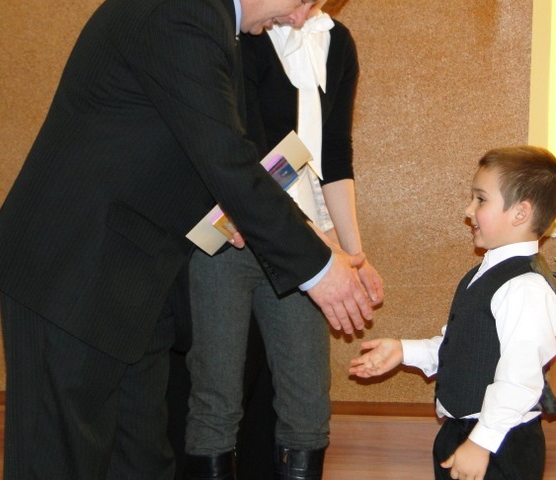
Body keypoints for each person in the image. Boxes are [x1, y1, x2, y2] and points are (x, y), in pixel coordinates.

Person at [0, 0, 378, 477]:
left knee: (143, 462)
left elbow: (225, 156)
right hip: (73, 270)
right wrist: (319, 269)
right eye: (302, 1)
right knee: (60, 461)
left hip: (133, 281)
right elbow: (226, 159)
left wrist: (322, 245)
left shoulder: (214, 22)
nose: (300, 18)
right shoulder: (182, 10)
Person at [185, 2, 383, 479]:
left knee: (307, 397)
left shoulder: (337, 43)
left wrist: (353, 255)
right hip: (228, 238)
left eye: (317, 3)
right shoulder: (242, 35)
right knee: (216, 394)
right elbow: (246, 153)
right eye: (301, 2)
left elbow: (334, 155)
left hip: (302, 241)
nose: (302, 15)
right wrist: (323, 251)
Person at [349, 146, 556, 480]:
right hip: (463, 432)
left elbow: (520, 380)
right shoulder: (483, 274)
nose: (469, 210)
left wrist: (481, 443)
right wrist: (403, 351)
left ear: (520, 213)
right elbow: (462, 347)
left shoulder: (526, 288)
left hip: (500, 444)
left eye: (480, 199)